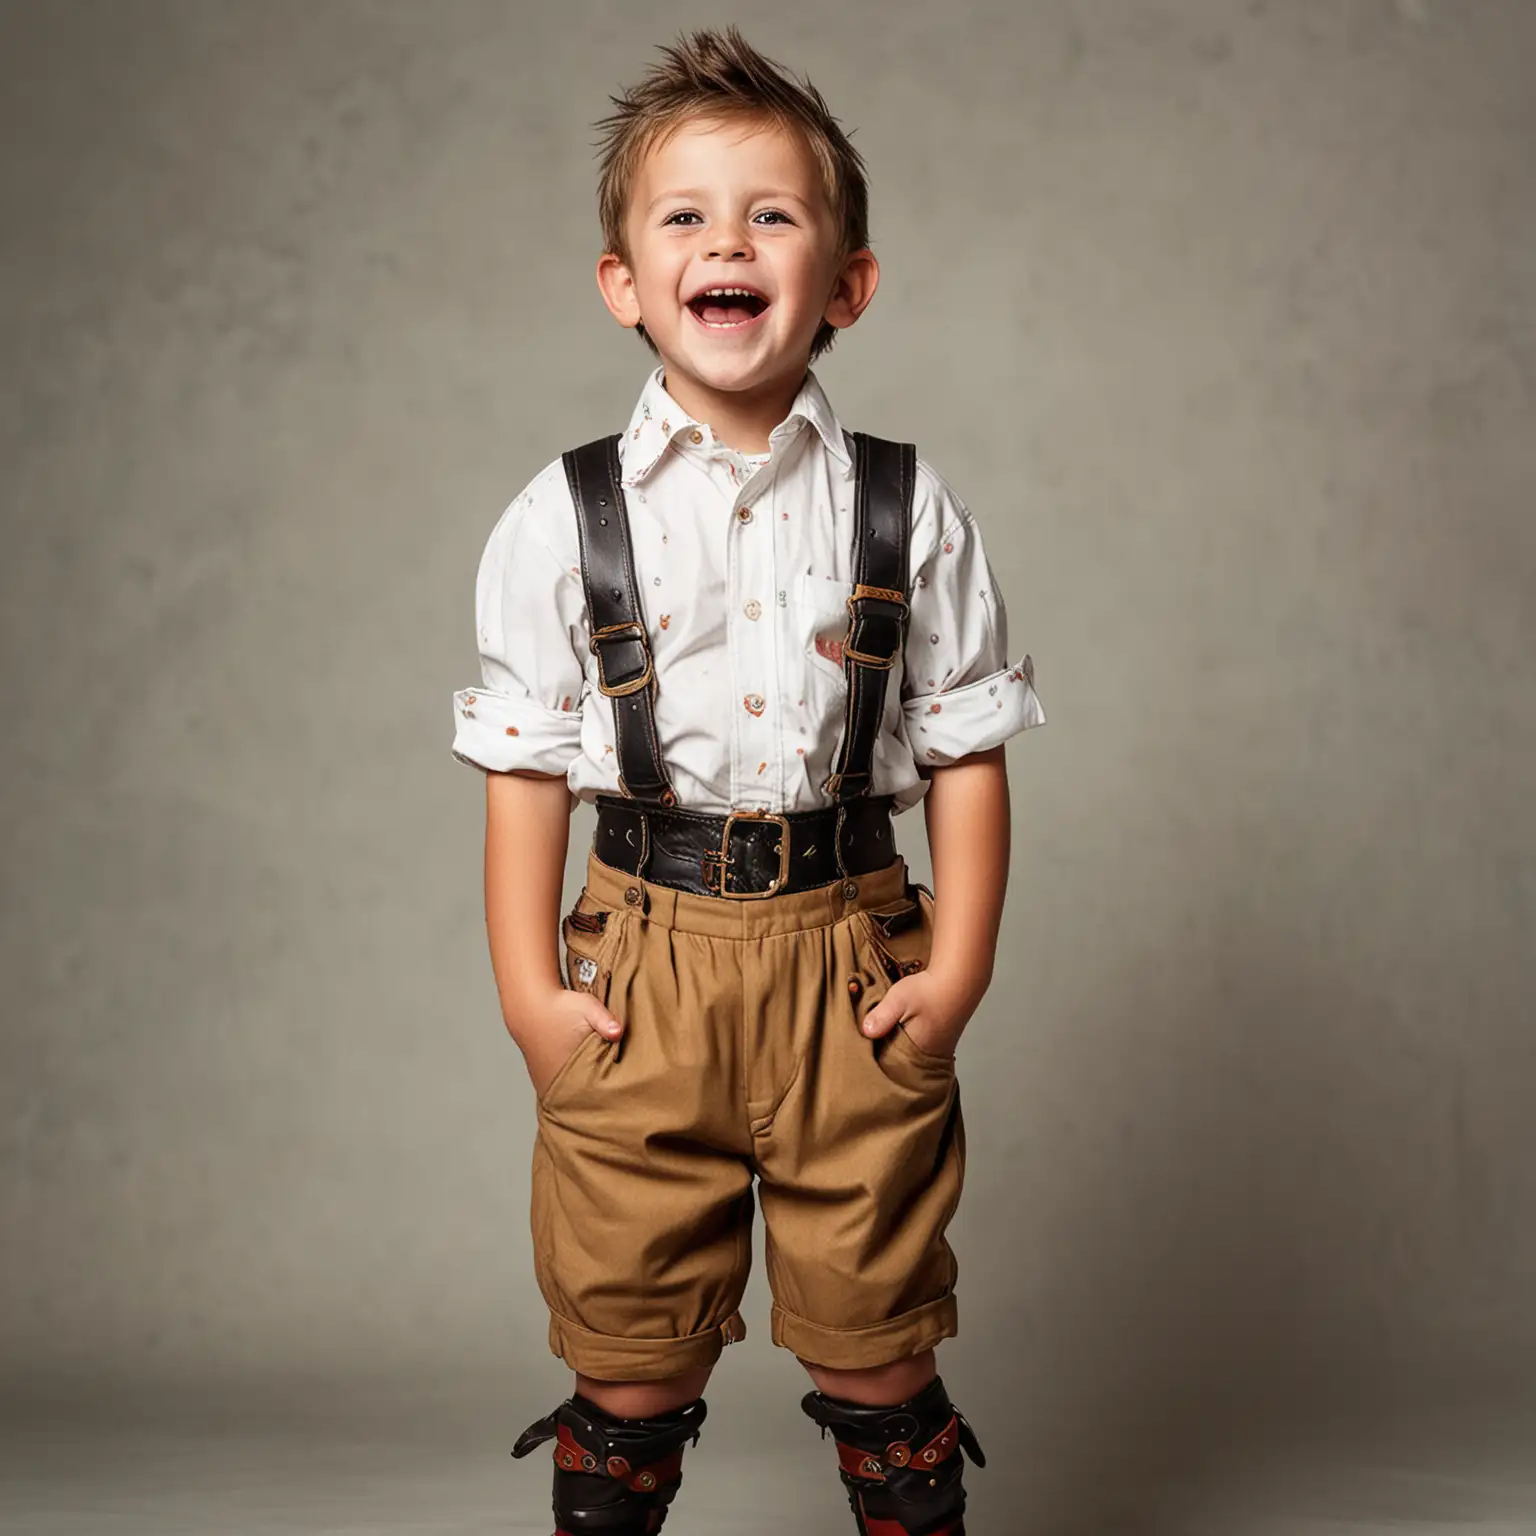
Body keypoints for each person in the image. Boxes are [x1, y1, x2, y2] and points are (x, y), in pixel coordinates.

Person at [449, 25, 1045, 1536]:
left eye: (772, 215)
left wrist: (959, 967)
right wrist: (532, 995)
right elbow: (525, 772)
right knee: (631, 1344)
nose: (729, 240)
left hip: (857, 961)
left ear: (845, 283)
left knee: (881, 1339)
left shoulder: (910, 508)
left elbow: (967, 749)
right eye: (686, 217)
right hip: (643, 962)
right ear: (624, 284)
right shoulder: (559, 517)